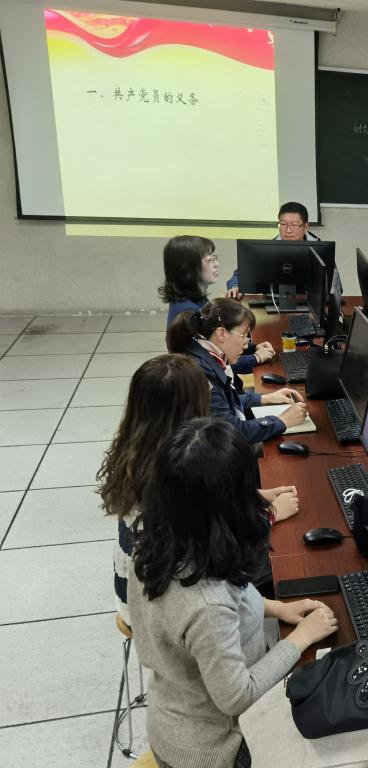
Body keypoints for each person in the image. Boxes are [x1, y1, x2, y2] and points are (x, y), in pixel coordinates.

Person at [128, 417, 337, 768]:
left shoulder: (162, 544)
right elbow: (238, 697)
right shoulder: (206, 604)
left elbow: (225, 599)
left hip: (175, 713)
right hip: (217, 748)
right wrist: (300, 638)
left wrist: (275, 608)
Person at [99, 355, 300, 623]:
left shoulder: (139, 448)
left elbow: (205, 509)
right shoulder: (177, 467)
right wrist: (270, 514)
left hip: (137, 585)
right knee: (290, 556)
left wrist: (255, 497)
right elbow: (213, 544)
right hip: (155, 605)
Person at [166, 298, 308, 443]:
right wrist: (282, 420)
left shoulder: (207, 357)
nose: (246, 345)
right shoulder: (202, 374)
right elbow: (233, 432)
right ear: (221, 334)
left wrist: (265, 398)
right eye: (244, 335)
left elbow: (224, 403)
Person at [158, 235, 274, 372]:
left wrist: (253, 348)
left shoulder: (194, 300)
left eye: (214, 258)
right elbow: (218, 364)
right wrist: (256, 357)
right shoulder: (190, 312)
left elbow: (220, 347)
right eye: (210, 260)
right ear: (188, 268)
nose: (217, 264)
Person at [225, 202, 320, 299]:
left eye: (294, 225)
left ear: (306, 227)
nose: (288, 230)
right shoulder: (267, 249)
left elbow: (328, 281)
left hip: (310, 303)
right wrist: (235, 287)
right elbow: (240, 275)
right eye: (283, 224)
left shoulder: (318, 249)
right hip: (273, 302)